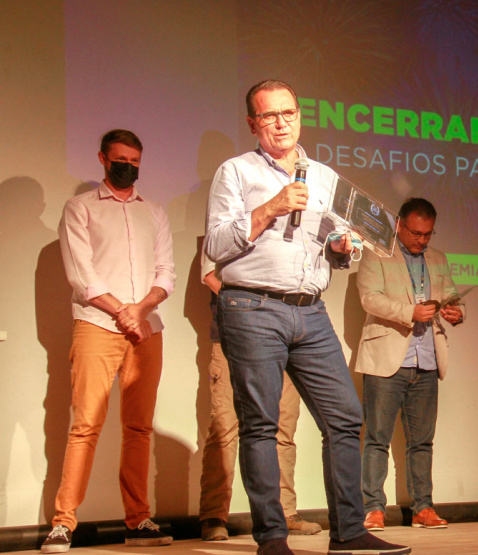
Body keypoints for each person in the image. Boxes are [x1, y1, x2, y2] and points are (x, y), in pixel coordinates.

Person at [204, 79, 409, 555]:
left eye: (289, 113)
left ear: (300, 116)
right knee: (260, 424)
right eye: (270, 116)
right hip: (251, 307)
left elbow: (339, 249)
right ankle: (272, 538)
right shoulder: (234, 173)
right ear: (253, 123)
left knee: (344, 416)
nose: (281, 123)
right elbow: (215, 245)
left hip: (309, 311)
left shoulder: (324, 177)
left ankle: (349, 530)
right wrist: (271, 206)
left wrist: (342, 248)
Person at [42, 130, 176, 553]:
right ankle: (63, 522)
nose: (129, 167)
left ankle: (138, 520)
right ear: (102, 159)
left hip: (146, 330)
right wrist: (124, 311)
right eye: (121, 159)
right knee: (85, 426)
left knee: (138, 428)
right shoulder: (79, 208)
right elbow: (82, 277)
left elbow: (166, 272)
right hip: (98, 326)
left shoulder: (154, 211)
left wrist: (141, 310)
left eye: (135, 161)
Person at [356, 198, 465, 532]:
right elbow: (369, 298)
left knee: (422, 441)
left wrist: (456, 313)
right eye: (416, 233)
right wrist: (409, 312)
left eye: (428, 234)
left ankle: (423, 508)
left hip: (427, 359)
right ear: (400, 225)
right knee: (377, 438)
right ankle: (373, 508)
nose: (422, 240)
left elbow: (451, 295)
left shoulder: (438, 258)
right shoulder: (377, 253)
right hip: (388, 358)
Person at [197, 255, 321, 540]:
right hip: (235, 335)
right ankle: (214, 516)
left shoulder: (290, 234)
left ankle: (284, 511)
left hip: (284, 338)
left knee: (283, 427)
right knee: (225, 427)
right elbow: (210, 277)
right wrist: (259, 306)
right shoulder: (226, 221)